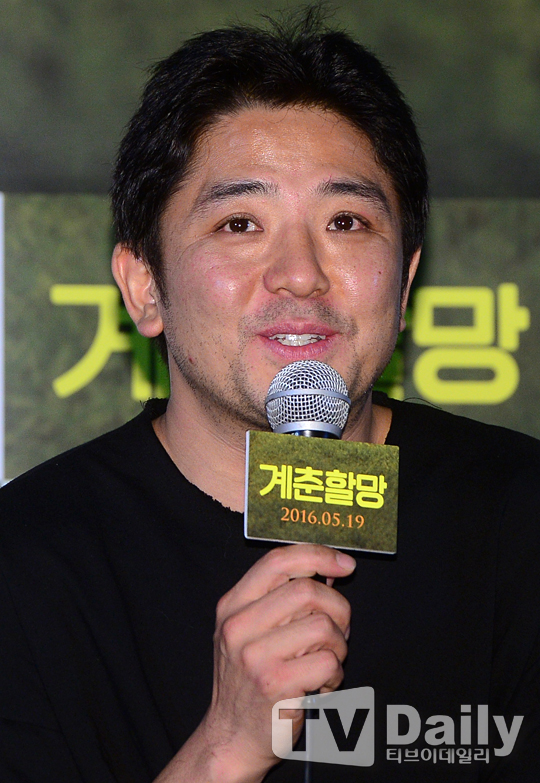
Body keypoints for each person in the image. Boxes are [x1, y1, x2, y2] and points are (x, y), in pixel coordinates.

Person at [1, 8, 539, 782]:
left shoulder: (518, 517)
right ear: (144, 285)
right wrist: (224, 749)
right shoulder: (27, 561)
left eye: (346, 220)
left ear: (404, 283)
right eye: (240, 223)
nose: (300, 274)